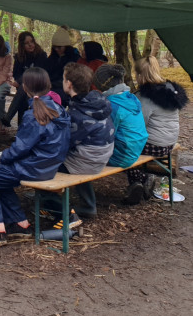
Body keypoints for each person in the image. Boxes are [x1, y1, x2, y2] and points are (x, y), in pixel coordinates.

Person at [0, 67, 71, 245]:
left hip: (33, 168)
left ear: (25, 88)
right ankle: (21, 224)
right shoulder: (58, 109)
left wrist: (1, 157)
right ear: (48, 85)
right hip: (50, 166)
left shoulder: (33, 114)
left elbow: (21, 149)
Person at [124, 56, 189, 205]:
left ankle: (139, 181)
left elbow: (139, 124)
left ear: (139, 75)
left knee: (127, 147)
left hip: (155, 144)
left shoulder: (144, 97)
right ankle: (143, 181)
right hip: (170, 142)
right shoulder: (170, 90)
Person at [58, 62, 115, 220]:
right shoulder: (96, 100)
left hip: (89, 161)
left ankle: (52, 204)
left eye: (63, 79)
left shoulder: (78, 112)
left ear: (69, 84)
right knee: (78, 155)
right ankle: (88, 204)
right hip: (103, 156)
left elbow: (66, 142)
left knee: (44, 163)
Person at [93, 63, 148, 167]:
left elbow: (104, 135)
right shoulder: (130, 97)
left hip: (121, 157)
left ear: (100, 85)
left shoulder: (112, 105)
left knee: (78, 155)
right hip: (135, 150)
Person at [0, 31, 49, 127]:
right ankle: (20, 131)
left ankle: (8, 117)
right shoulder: (19, 57)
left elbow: (37, 72)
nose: (30, 45)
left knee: (23, 89)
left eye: (31, 42)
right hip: (25, 88)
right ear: (22, 45)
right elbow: (16, 73)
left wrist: (19, 81)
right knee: (23, 96)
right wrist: (19, 80)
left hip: (38, 85)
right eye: (27, 43)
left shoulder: (41, 55)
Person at [45, 27, 80, 105]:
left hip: (65, 89)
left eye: (59, 47)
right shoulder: (52, 58)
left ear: (66, 46)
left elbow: (72, 79)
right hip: (50, 87)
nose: (57, 49)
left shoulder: (74, 58)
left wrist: (52, 84)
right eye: (55, 47)